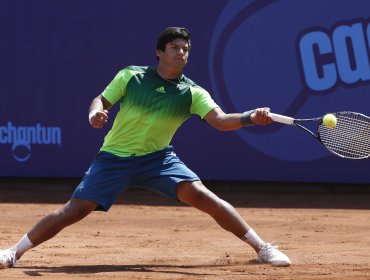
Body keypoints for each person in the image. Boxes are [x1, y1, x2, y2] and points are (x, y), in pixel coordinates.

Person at [0, 26, 290, 269]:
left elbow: (222, 121)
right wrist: (95, 114)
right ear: (159, 52)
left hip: (159, 159)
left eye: (185, 49)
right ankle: (14, 252)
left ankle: (263, 248)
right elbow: (100, 100)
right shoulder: (131, 76)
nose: (181, 53)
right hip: (114, 158)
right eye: (175, 47)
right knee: (74, 210)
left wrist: (250, 117)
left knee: (203, 196)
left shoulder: (192, 92)